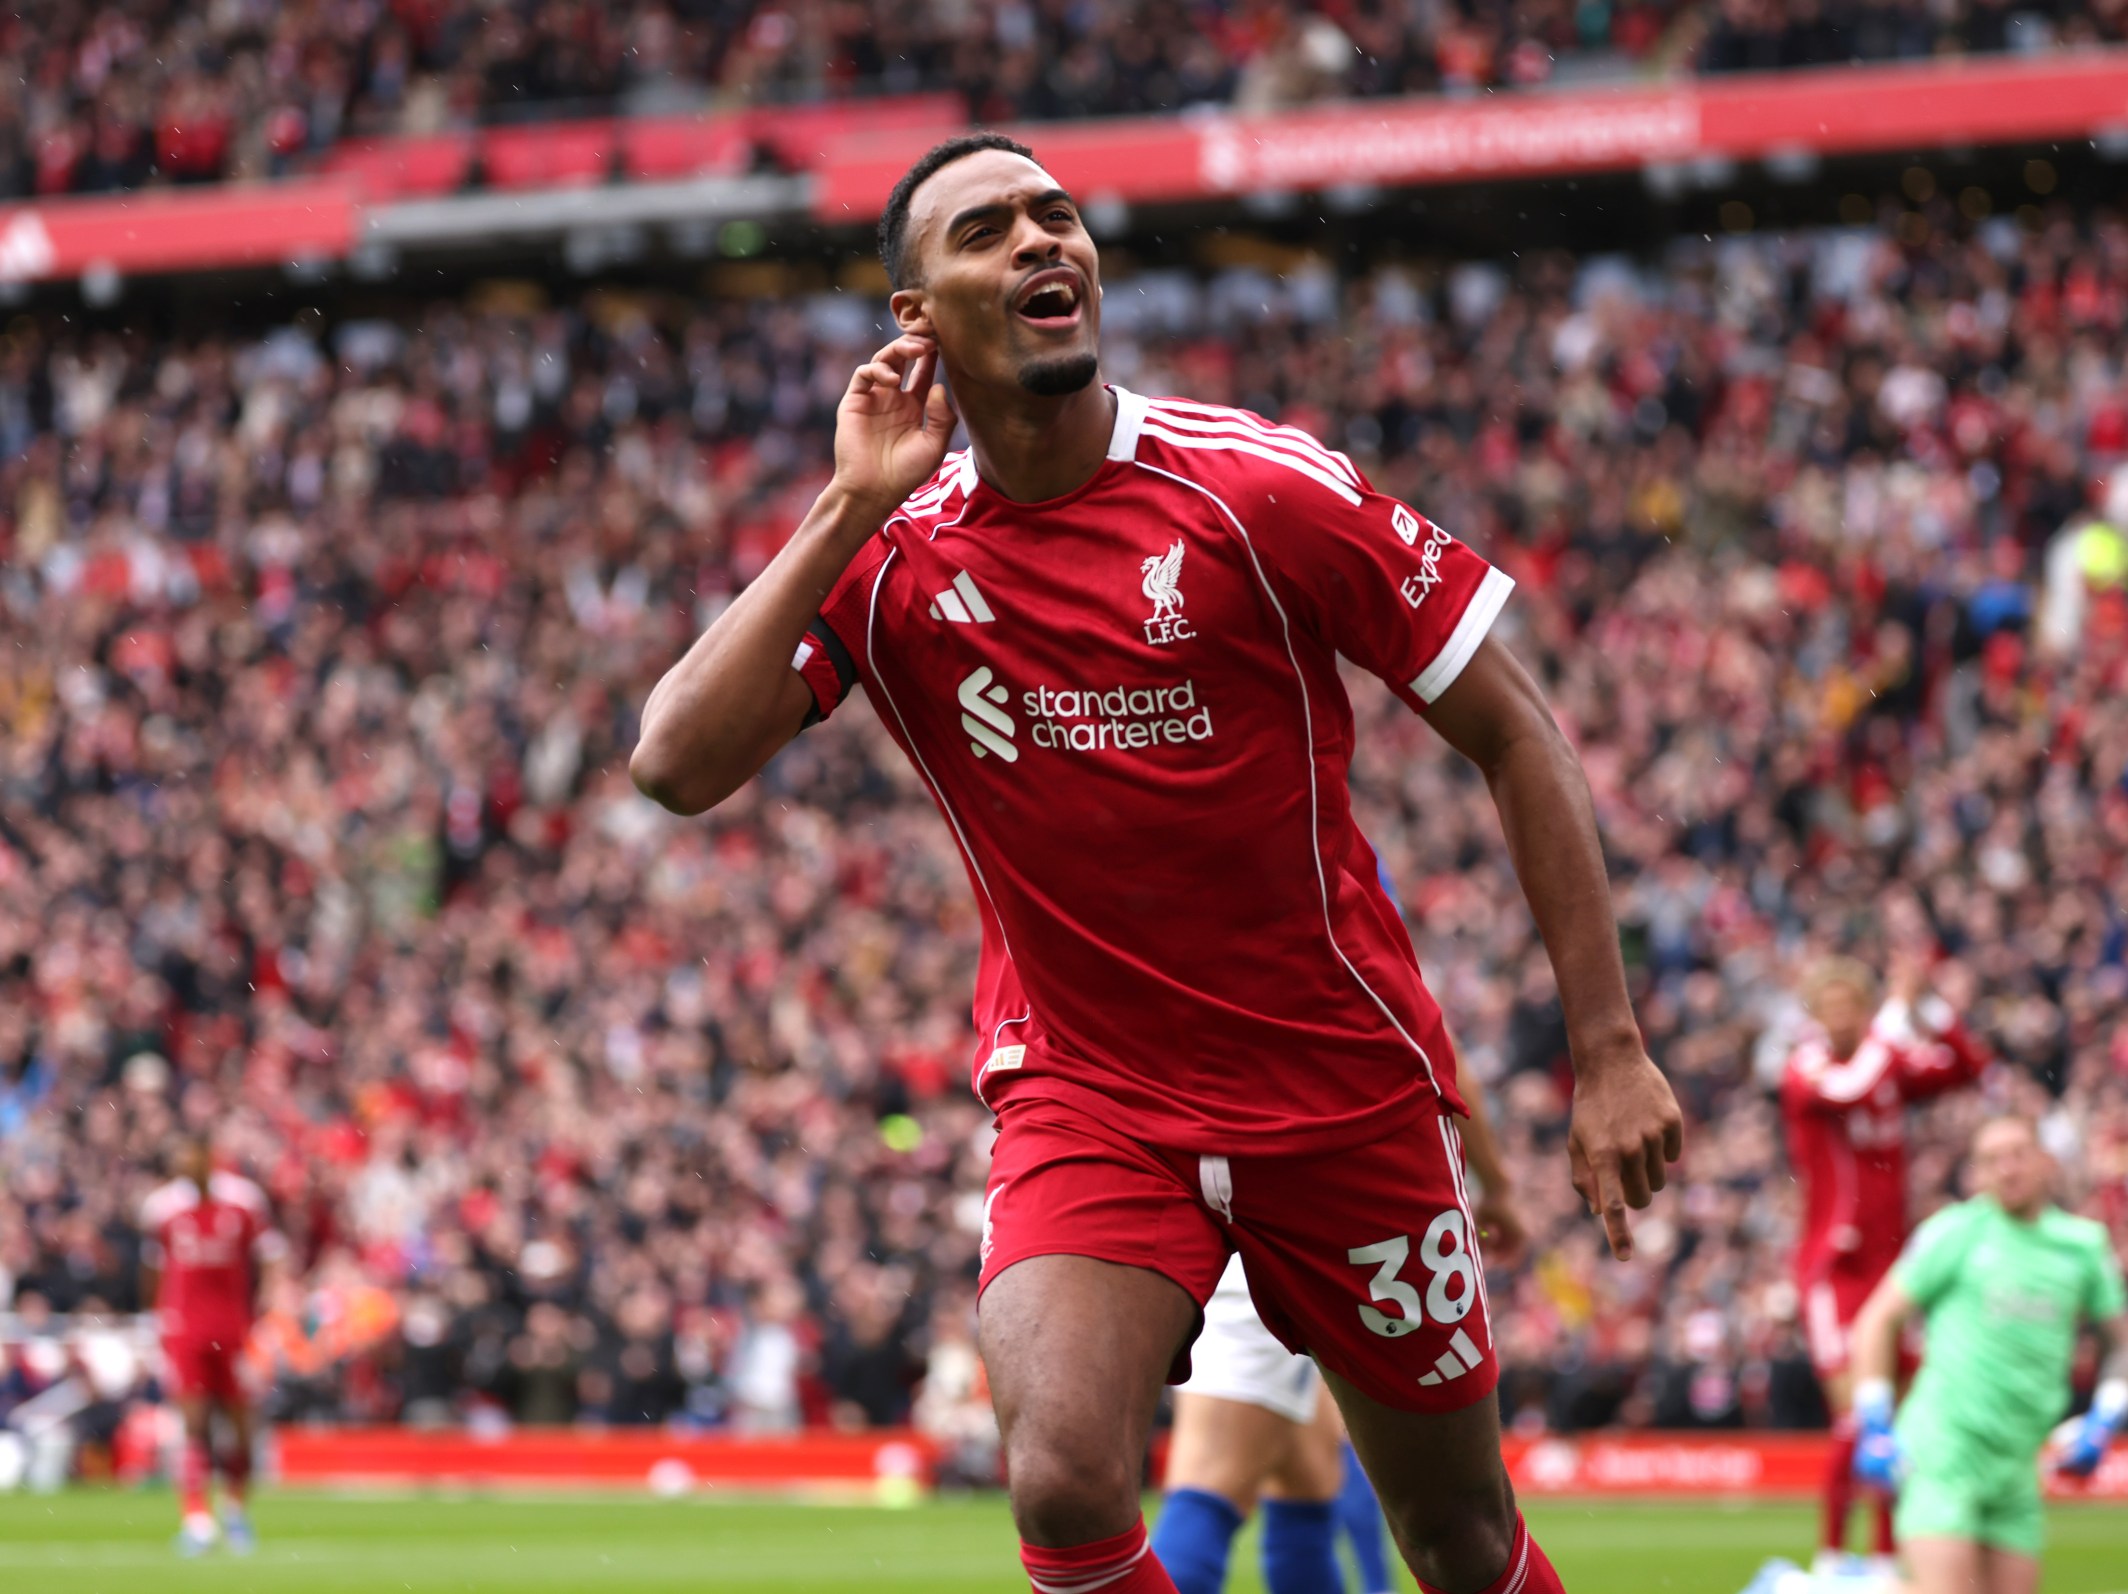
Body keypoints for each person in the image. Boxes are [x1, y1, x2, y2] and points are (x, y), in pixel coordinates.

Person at [631, 131, 1683, 1594]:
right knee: (1062, 1478)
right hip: (1091, 1092)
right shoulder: (889, 556)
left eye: (1057, 216)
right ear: (914, 318)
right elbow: (673, 764)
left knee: (1457, 1537)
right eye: (990, 229)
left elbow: (1516, 731)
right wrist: (848, 502)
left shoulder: (1258, 489)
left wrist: (1611, 1046)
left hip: (1337, 1093)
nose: (1042, 242)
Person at [1154, 1065, 1530, 1594]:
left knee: (1306, 1476)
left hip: (1218, 1177)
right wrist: (1498, 1185)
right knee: (1212, 1475)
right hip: (1285, 1195)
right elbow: (1433, 1048)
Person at [1849, 1117, 2128, 1594]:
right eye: (1991, 1160)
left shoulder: (2083, 1245)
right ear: (1977, 1175)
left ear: (2045, 1161)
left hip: (2018, 1464)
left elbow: (2124, 1342)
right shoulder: (1954, 1233)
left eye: (2018, 1154)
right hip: (1945, 1451)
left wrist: (2106, 1418)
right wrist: (1875, 1422)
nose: (2007, 1169)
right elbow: (1877, 1321)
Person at [1780, 953, 1985, 1581]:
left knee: (1895, 1417)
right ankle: (1835, 1558)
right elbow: (1853, 1088)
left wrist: (1928, 1007)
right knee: (1854, 1415)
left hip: (1891, 1267)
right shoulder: (1806, 1069)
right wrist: (1897, 1017)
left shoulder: (1885, 1057)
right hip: (1834, 1268)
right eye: (1831, 1007)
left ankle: (1888, 1557)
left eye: (1853, 1005)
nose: (1842, 1017)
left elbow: (1969, 1067)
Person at [140, 1134, 282, 1556]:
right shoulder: (163, 1207)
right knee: (194, 1424)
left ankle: (236, 1512)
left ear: (209, 1157)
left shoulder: (243, 1201)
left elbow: (271, 1257)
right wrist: (157, 1318)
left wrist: (266, 1310)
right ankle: (197, 1519)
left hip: (234, 1330)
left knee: (240, 1427)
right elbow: (153, 1270)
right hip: (185, 1330)